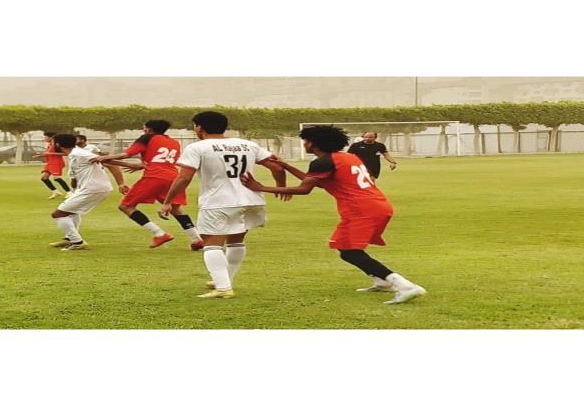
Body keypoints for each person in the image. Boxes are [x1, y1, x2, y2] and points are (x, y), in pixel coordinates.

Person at [240, 125, 425, 304]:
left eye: (305, 141)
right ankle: (382, 281)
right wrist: (286, 166)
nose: (304, 144)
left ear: (314, 144)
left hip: (361, 210)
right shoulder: (348, 157)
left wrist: (261, 187)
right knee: (348, 250)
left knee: (349, 251)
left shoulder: (323, 162)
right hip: (378, 205)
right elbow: (317, 182)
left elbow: (304, 189)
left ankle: (404, 286)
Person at [158, 111, 288, 299]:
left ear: (199, 127)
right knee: (236, 241)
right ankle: (225, 280)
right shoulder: (247, 144)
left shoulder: (197, 147)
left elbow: (184, 177)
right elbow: (277, 167)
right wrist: (280, 187)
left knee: (211, 245)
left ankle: (223, 288)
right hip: (251, 199)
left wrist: (168, 201)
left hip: (219, 201)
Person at [92, 120, 204, 250]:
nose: (143, 130)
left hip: (154, 176)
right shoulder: (174, 142)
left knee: (126, 206)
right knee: (175, 209)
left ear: (149, 129)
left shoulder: (147, 138)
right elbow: (157, 159)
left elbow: (127, 154)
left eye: (144, 128)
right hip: (173, 177)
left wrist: (106, 157)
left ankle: (159, 234)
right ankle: (196, 239)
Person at [48, 134, 126, 251]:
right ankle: (70, 238)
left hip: (93, 188)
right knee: (72, 211)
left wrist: (130, 168)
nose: (51, 145)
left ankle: (77, 242)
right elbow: (75, 178)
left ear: (58, 144)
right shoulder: (74, 154)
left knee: (58, 214)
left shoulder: (79, 153)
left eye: (52, 143)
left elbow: (108, 162)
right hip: (91, 188)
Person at [34, 132, 72, 199]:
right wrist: (40, 155)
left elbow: (66, 153)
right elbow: (49, 153)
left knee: (56, 178)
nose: (44, 138)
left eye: (45, 137)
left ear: (51, 137)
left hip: (56, 163)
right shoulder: (50, 145)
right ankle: (56, 192)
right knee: (44, 178)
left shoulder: (57, 145)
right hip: (50, 163)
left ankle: (69, 193)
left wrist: (50, 153)